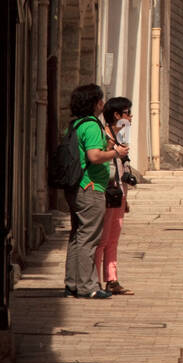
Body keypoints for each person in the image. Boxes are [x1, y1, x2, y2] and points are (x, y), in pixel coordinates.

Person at [63, 84, 119, 299]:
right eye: (101, 100)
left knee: (77, 236)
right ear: (95, 103)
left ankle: (72, 284)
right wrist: (115, 152)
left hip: (75, 187)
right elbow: (94, 156)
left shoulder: (75, 125)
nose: (103, 104)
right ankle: (88, 287)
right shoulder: (93, 126)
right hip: (91, 187)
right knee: (89, 238)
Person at [95, 97, 134, 295]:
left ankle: (112, 279)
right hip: (106, 193)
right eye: (128, 113)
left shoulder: (121, 138)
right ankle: (95, 281)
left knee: (113, 239)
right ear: (117, 116)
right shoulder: (105, 137)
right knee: (102, 239)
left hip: (119, 194)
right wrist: (113, 150)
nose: (131, 116)